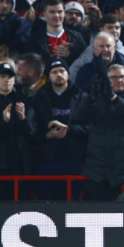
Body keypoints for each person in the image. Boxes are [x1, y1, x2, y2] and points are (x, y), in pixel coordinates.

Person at [73, 64, 124, 201]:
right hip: (97, 171)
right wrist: (91, 97)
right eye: (114, 77)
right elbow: (78, 117)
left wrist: (114, 98)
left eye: (122, 77)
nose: (119, 80)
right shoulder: (96, 99)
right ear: (106, 80)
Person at [0, 62, 38, 200]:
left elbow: (32, 135)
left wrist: (23, 119)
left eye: (10, 77)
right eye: (2, 76)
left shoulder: (24, 102)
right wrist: (3, 122)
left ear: (14, 80)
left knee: (19, 207)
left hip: (19, 165)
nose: (6, 80)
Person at [31, 60, 86, 201]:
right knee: (45, 206)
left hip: (73, 160)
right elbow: (31, 130)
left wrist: (69, 129)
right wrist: (47, 135)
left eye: (62, 71)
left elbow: (90, 128)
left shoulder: (81, 97)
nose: (59, 74)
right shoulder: (37, 98)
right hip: (46, 160)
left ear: (68, 74)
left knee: (71, 207)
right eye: (54, 72)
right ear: (49, 76)